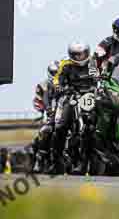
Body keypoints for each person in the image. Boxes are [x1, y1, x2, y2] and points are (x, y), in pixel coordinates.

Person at [50, 42, 95, 175]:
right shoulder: (66, 64)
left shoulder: (93, 63)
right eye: (76, 54)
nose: (79, 57)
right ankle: (57, 160)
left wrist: (101, 83)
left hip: (92, 96)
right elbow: (57, 79)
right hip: (73, 96)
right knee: (61, 126)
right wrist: (59, 86)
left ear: (87, 52)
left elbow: (100, 75)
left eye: (82, 54)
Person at [31, 60, 60, 173]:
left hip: (66, 114)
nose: (56, 75)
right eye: (54, 72)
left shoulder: (67, 83)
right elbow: (38, 100)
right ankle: (40, 160)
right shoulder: (43, 86)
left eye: (58, 73)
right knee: (45, 131)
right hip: (51, 115)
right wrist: (45, 109)